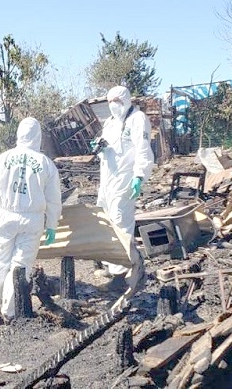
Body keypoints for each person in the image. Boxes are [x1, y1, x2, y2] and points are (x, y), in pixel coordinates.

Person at [0, 117, 62, 324]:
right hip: (32, 220)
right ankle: (10, 312)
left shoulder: (3, 159)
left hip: (5, 217)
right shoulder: (46, 163)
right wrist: (52, 225)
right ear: (38, 136)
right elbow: (54, 199)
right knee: (21, 266)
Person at [92, 85, 155, 298]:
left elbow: (143, 149)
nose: (113, 105)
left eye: (117, 101)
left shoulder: (138, 119)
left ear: (126, 100)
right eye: (110, 101)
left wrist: (139, 175)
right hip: (108, 180)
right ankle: (115, 269)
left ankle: (122, 277)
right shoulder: (109, 123)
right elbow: (109, 149)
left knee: (121, 224)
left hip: (125, 180)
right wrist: (100, 147)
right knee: (108, 224)